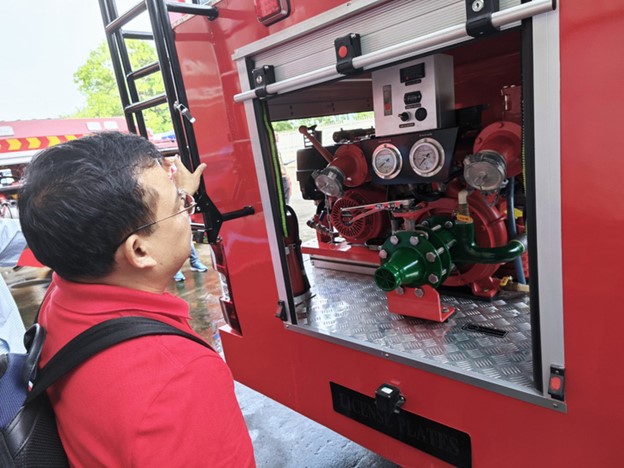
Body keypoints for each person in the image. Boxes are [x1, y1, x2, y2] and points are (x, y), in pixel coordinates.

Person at [18, 132, 255, 466]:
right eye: (180, 206)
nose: (187, 212)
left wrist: (180, 192)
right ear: (139, 251)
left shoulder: (60, 296)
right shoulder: (180, 379)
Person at [160, 156, 209, 282]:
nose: (170, 158)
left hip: (180, 213)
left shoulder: (176, 173)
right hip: (169, 216)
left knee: (187, 241)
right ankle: (176, 270)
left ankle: (194, 263)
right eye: (167, 156)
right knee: (172, 244)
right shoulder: (158, 177)